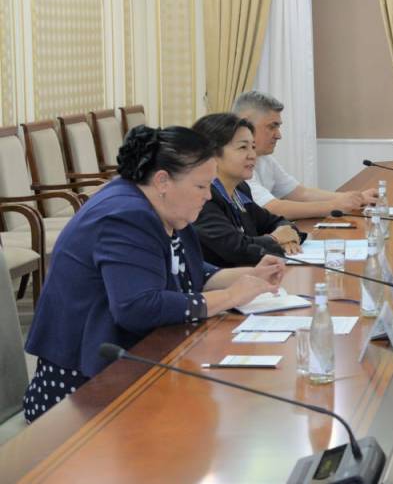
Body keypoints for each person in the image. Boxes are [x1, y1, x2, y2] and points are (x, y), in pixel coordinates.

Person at [22, 125, 285, 423]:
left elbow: (188, 271)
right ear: (163, 181)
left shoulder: (163, 207)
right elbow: (138, 307)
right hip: (83, 388)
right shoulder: (126, 215)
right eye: (201, 186)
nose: (208, 196)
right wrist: (230, 296)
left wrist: (251, 275)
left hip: (131, 362)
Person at [232, 91, 377, 220]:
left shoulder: (265, 158)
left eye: (278, 127)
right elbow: (272, 208)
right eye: (271, 126)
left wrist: (355, 198)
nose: (278, 135)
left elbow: (301, 193)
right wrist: (333, 206)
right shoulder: (233, 162)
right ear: (246, 123)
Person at [192, 113, 301, 267]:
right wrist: (276, 239)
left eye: (253, 147)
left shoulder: (240, 189)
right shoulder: (202, 197)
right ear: (212, 153)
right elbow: (236, 250)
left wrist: (288, 236)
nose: (252, 155)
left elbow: (276, 221)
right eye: (243, 147)